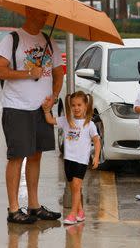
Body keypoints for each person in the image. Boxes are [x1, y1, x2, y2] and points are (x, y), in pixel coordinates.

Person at [0, 6, 64, 224]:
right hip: (17, 108)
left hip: (41, 109)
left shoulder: (49, 41)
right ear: (28, 13)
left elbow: (58, 73)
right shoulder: (12, 39)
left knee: (36, 155)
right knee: (17, 157)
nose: (44, 17)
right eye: (41, 13)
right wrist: (27, 73)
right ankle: (14, 209)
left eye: (46, 14)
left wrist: (53, 96)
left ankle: (34, 206)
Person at [42, 91, 100, 225]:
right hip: (69, 160)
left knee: (76, 185)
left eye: (79, 105)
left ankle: (73, 214)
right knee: (74, 188)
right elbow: (50, 120)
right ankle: (80, 212)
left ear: (86, 105)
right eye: (73, 105)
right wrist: (46, 110)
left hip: (81, 160)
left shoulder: (89, 124)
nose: (76, 108)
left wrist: (96, 157)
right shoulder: (67, 121)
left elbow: (97, 141)